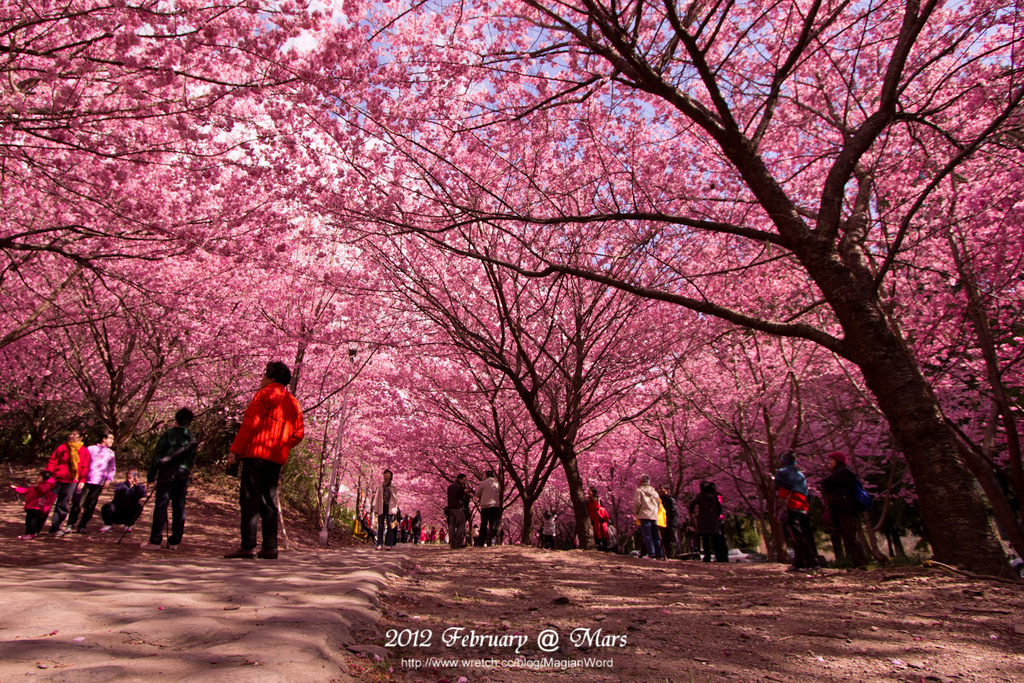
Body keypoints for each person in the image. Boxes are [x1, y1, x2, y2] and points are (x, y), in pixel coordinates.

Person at [224, 361, 304, 560]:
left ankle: (248, 545)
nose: (261, 379)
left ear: (272, 377)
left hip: (256, 453)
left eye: (264, 375)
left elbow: (250, 424)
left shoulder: (264, 395)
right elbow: (299, 434)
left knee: (250, 498)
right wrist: (283, 446)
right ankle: (270, 547)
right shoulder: (294, 403)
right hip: (276, 458)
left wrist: (235, 450)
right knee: (269, 500)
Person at [141, 408, 198, 551]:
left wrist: (151, 476)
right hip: (184, 473)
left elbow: (157, 457)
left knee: (161, 505)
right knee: (179, 506)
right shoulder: (192, 439)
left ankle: (155, 540)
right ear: (189, 423)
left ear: (176, 420)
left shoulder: (167, 435)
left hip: (167, 472)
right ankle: (174, 542)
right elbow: (192, 460)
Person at [774, 450, 821, 571]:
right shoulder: (800, 475)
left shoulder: (782, 474)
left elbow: (776, 486)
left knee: (797, 536)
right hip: (803, 507)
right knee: (803, 535)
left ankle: (811, 562)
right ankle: (798, 563)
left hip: (791, 506)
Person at [821, 451, 870, 568]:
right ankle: (858, 563)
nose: (829, 462)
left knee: (851, 536)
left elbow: (826, 483)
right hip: (845, 508)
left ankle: (861, 564)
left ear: (837, 461)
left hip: (846, 508)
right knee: (849, 536)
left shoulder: (842, 472)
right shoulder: (843, 472)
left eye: (831, 460)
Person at [70, 432, 117, 533]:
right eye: (110, 439)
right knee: (78, 502)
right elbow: (82, 462)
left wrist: (109, 479)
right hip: (85, 480)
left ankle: (82, 525)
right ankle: (70, 524)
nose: (112, 441)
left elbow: (112, 468)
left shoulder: (111, 453)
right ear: (104, 439)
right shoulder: (91, 449)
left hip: (98, 482)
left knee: (90, 505)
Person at [46, 430, 85, 536]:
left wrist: (82, 480)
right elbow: (52, 461)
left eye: (74, 434)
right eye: (71, 434)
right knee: (47, 502)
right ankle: (36, 526)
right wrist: (48, 475)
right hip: (56, 479)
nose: (71, 436)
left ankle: (55, 527)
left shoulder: (83, 451)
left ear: (81, 437)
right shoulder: (62, 447)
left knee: (63, 504)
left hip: (71, 481)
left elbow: (84, 467)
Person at [689, 481, 728, 562]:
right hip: (713, 519)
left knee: (705, 540)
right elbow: (719, 508)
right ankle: (719, 557)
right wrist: (718, 516)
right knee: (716, 540)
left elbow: (692, 503)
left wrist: (692, 513)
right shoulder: (715, 496)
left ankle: (707, 557)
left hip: (703, 519)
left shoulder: (701, 496)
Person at [11, 471, 57, 540]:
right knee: (29, 521)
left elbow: (43, 490)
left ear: (44, 478)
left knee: (32, 521)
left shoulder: (46, 486)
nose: (37, 479)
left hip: (37, 507)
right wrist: (17, 488)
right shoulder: (35, 486)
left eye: (39, 477)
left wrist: (38, 487)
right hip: (31, 506)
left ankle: (31, 534)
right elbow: (26, 491)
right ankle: (28, 534)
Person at [634, 474, 665, 560]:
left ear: (641, 481)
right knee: (656, 535)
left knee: (647, 535)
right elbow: (658, 503)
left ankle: (651, 554)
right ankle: (660, 554)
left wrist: (637, 512)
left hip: (644, 514)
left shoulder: (639, 490)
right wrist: (655, 511)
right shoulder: (654, 491)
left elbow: (637, 503)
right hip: (653, 515)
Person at [371, 469, 400, 550]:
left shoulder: (394, 486)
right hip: (381, 506)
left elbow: (396, 498)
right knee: (380, 525)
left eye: (388, 474)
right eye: (385, 473)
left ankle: (389, 544)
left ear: (391, 476)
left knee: (390, 526)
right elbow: (377, 498)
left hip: (390, 507)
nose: (386, 475)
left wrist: (396, 509)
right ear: (383, 475)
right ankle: (379, 544)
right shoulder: (380, 486)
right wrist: (376, 509)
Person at [475, 470, 501, 547]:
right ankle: (493, 542)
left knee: (484, 524)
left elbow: (477, 494)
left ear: (485, 476)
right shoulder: (497, 483)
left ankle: (481, 543)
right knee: (493, 524)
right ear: (493, 476)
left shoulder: (482, 484)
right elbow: (499, 491)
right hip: (494, 506)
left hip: (485, 506)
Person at [446, 473, 470, 548]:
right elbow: (463, 498)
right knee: (461, 524)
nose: (465, 481)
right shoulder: (460, 487)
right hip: (458, 508)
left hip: (450, 508)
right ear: (459, 479)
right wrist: (465, 493)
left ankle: (452, 543)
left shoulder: (450, 487)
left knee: (452, 526)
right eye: (464, 479)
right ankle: (458, 542)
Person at [658, 484, 680, 559]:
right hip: (664, 522)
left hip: (671, 522)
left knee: (673, 538)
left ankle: (677, 554)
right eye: (660, 489)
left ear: (666, 490)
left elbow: (674, 511)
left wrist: (668, 521)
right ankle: (668, 555)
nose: (660, 491)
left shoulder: (670, 499)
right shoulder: (660, 499)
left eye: (662, 489)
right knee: (665, 539)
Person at [587, 486, 611, 551]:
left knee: (602, 533)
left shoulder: (598, 500)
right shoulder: (588, 500)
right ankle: (598, 547)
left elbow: (603, 509)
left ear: (593, 492)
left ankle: (605, 548)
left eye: (590, 491)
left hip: (599, 519)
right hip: (592, 519)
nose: (588, 492)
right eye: (588, 491)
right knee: (594, 534)